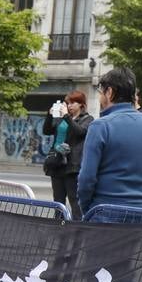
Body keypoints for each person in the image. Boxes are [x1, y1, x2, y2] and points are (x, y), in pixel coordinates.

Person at [77, 67, 142, 221]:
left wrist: (87, 208)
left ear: (109, 92)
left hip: (104, 209)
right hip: (140, 211)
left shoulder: (100, 126)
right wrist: (141, 199)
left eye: (101, 92)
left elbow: (87, 178)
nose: (100, 98)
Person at [42, 90, 92, 218]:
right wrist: (49, 115)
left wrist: (66, 117)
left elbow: (79, 132)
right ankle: (60, 227)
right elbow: (47, 130)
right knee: (58, 201)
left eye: (73, 102)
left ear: (81, 104)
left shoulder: (87, 119)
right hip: (57, 161)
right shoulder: (60, 118)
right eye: (67, 103)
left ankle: (76, 228)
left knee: (74, 200)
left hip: (72, 165)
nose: (69, 106)